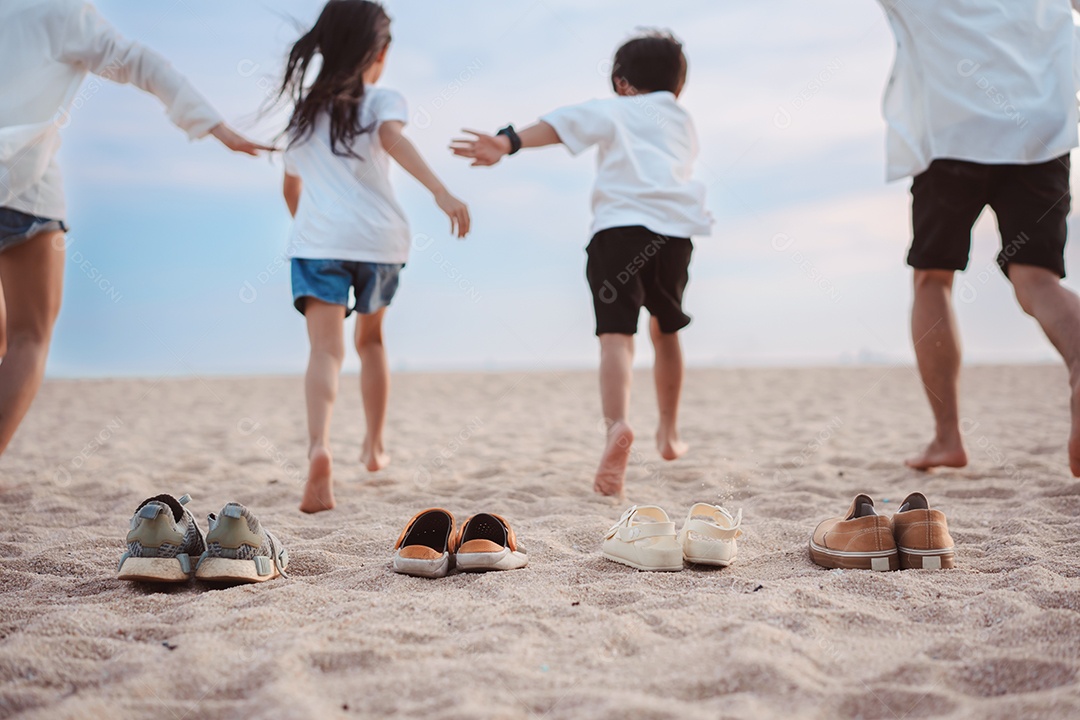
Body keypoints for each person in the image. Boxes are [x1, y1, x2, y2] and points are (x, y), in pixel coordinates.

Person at [0, 0, 268, 458]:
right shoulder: (63, 11)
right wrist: (214, 126)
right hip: (25, 186)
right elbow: (141, 62)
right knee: (30, 335)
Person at [452, 31, 712, 497]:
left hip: (618, 232)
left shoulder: (617, 108)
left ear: (621, 82)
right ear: (678, 85)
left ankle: (617, 426)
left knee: (616, 337)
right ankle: (669, 433)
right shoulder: (683, 122)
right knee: (667, 329)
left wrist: (508, 142)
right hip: (674, 235)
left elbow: (563, 123)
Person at [278, 0, 471, 514]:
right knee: (372, 341)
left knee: (325, 352)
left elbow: (291, 188)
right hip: (379, 243)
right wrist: (440, 191)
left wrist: (313, 226)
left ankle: (319, 448)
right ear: (378, 52)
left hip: (319, 243)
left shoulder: (303, 114)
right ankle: (374, 446)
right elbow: (392, 139)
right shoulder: (383, 100)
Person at [877, 0, 1080, 475]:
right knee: (1037, 280)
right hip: (1041, 132)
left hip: (952, 137)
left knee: (932, 279)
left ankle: (947, 437)